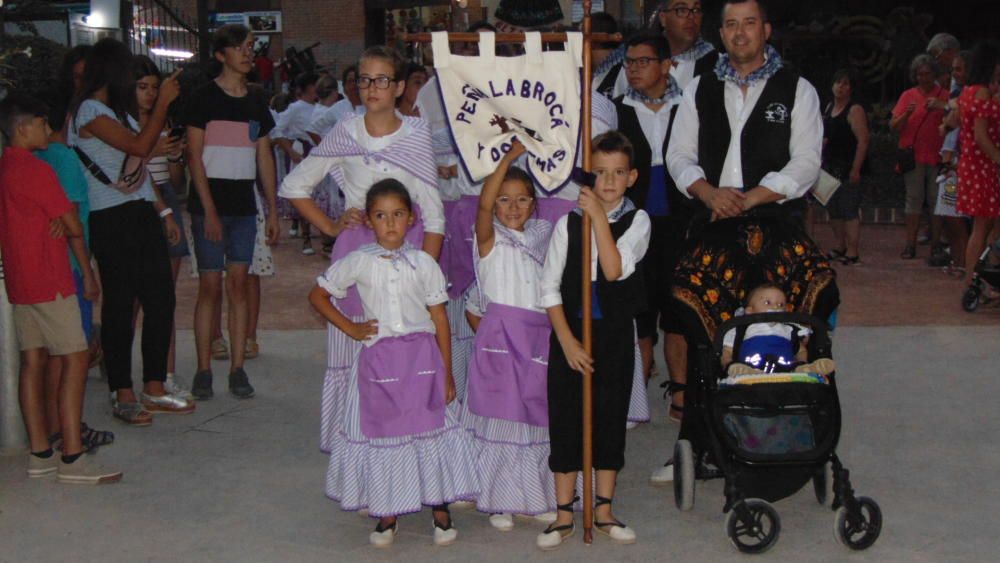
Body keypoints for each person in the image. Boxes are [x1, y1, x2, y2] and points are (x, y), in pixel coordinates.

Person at [664, 0, 831, 480]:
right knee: (698, 317)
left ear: (767, 30)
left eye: (749, 24)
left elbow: (805, 164)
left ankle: (795, 432)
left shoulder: (797, 89)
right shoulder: (699, 88)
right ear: (721, 34)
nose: (740, 33)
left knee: (806, 306)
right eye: (732, 25)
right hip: (714, 221)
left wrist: (752, 197)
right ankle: (702, 442)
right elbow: (679, 155)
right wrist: (709, 193)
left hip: (775, 221)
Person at [279, 45, 443, 454]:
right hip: (357, 255)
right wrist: (332, 226)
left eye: (382, 80)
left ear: (400, 87)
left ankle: (412, 449)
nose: (372, 88)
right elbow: (294, 186)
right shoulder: (346, 132)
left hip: (410, 256)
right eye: (364, 79)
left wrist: (426, 276)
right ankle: (357, 455)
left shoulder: (417, 134)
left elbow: (435, 216)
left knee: (407, 352)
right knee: (357, 348)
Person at [308, 180, 476, 547]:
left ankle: (440, 507)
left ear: (411, 219)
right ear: (369, 221)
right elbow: (318, 294)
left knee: (430, 430)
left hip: (423, 359)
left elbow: (440, 319)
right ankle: (388, 511)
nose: (390, 223)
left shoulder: (424, 263)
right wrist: (351, 327)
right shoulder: (359, 261)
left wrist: (447, 373)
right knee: (386, 431)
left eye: (398, 215)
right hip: (379, 363)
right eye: (381, 216)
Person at [69, 38, 192, 424]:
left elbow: (138, 165)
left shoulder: (118, 113)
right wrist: (163, 106)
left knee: (160, 299)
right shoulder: (89, 111)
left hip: (139, 212)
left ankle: (153, 385)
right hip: (111, 216)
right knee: (120, 305)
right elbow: (141, 146)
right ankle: (122, 390)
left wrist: (164, 211)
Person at [537, 131, 650, 549]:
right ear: (588, 177)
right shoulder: (568, 224)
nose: (608, 182)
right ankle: (564, 511)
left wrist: (600, 219)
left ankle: (602, 508)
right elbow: (548, 287)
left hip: (614, 335)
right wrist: (566, 341)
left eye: (618, 173)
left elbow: (614, 268)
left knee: (608, 415)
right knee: (566, 417)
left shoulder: (638, 222)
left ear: (632, 176)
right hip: (571, 332)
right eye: (600, 173)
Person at [0, 93, 121, 483]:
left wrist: (54, 220)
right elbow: (71, 223)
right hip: (51, 276)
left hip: (20, 280)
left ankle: (40, 451)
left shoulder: (6, 168)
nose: (47, 130)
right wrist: (83, 264)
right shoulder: (37, 170)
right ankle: (72, 454)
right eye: (40, 123)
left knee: (32, 362)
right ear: (23, 129)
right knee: (74, 357)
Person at [462, 140, 556, 530]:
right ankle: (497, 499)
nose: (513, 208)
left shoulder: (545, 236)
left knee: (535, 416)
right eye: (504, 200)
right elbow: (483, 207)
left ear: (534, 204)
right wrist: (508, 158)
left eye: (522, 200)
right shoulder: (489, 240)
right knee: (501, 417)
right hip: (500, 340)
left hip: (538, 338)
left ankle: (534, 497)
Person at [184, 24, 279, 400]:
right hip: (209, 206)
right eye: (240, 48)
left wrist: (271, 209)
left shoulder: (257, 102)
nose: (247, 53)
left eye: (250, 47)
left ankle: (238, 368)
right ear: (221, 54)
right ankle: (204, 368)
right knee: (209, 286)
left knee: (238, 284)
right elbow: (194, 157)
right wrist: (207, 209)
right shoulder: (202, 99)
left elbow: (264, 157)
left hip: (243, 206)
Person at [34, 45, 114, 452]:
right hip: (68, 268)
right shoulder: (62, 159)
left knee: (48, 357)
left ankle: (52, 429)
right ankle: (69, 435)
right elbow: (70, 223)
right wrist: (88, 273)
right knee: (73, 356)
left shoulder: (33, 159)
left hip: (45, 270)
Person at [612, 32, 687, 407]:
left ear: (666, 65)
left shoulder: (689, 105)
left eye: (643, 61)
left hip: (680, 222)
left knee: (677, 307)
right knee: (638, 308)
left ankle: (681, 391)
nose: (635, 69)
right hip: (633, 223)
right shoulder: (616, 110)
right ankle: (635, 396)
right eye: (629, 62)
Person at [133, 55, 193, 399]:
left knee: (164, 298)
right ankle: (121, 372)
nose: (150, 95)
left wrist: (173, 156)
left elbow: (173, 178)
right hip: (140, 201)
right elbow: (131, 168)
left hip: (164, 195)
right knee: (132, 298)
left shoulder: (165, 120)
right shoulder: (123, 123)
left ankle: (165, 373)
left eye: (155, 88)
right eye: (143, 88)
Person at [890, 54, 948, 260]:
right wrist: (906, 114)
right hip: (913, 155)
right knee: (913, 200)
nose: (923, 78)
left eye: (927, 74)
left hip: (936, 155)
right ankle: (910, 244)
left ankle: (936, 244)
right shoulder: (907, 95)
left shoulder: (944, 96)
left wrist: (943, 106)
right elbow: (894, 126)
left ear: (934, 75)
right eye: (920, 74)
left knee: (936, 200)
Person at [956, 41, 1000, 290]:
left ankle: (983, 278)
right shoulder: (982, 92)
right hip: (983, 167)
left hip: (974, 165)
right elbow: (981, 136)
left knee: (988, 224)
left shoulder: (969, 91)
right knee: (983, 225)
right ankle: (974, 280)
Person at [721, 284, 835, 376]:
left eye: (781, 304)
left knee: (797, 367)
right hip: (751, 367)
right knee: (740, 368)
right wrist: (728, 364)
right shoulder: (740, 328)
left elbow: (801, 350)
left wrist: (801, 362)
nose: (775, 307)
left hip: (786, 369)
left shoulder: (788, 328)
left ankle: (806, 369)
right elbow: (727, 351)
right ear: (750, 311)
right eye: (768, 303)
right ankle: (743, 372)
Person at [821, 68, 870, 265]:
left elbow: (863, 141)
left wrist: (856, 169)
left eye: (845, 83)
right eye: (838, 83)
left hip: (849, 165)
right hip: (830, 167)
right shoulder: (828, 108)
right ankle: (840, 245)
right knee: (833, 209)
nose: (841, 87)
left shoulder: (855, 110)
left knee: (850, 209)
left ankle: (852, 251)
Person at [273, 72, 319, 255]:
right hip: (302, 153)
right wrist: (290, 150)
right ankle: (306, 237)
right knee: (304, 194)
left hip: (319, 154)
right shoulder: (295, 108)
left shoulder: (321, 107)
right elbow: (277, 130)